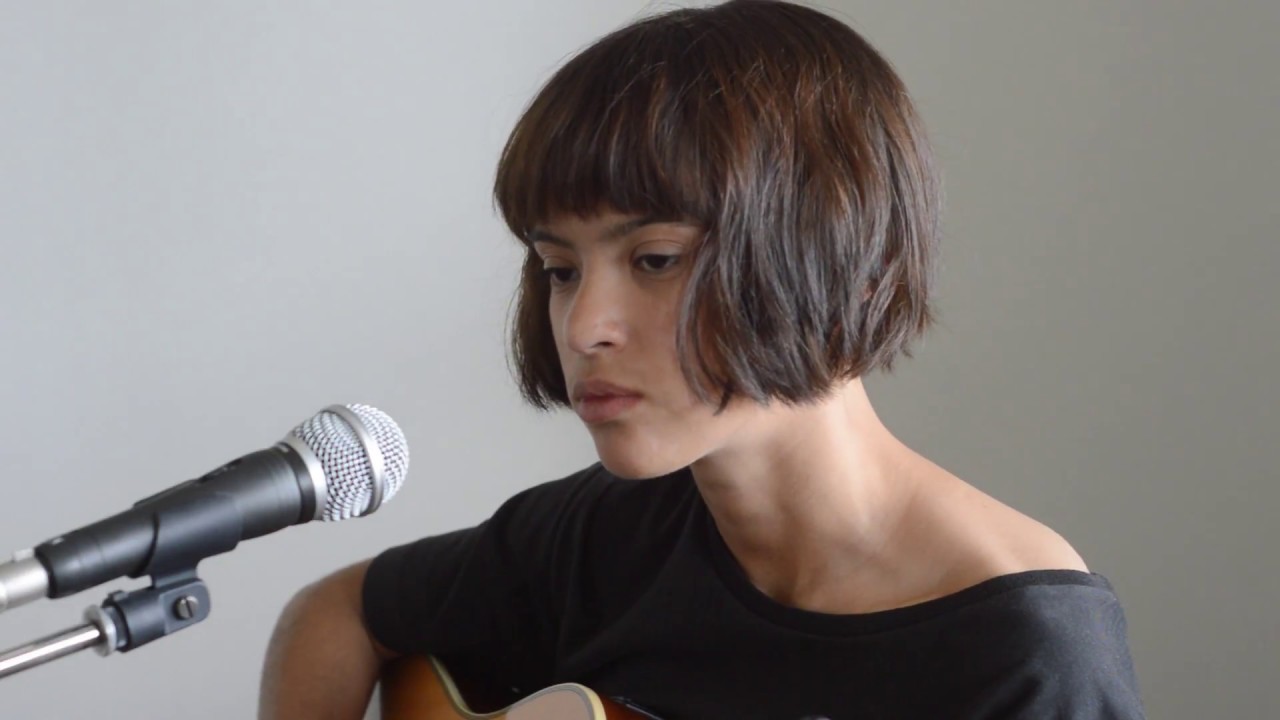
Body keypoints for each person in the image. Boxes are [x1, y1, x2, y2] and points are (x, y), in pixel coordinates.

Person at [259, 1, 1145, 718]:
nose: (583, 327)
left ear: (835, 255)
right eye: (561, 270)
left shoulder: (1022, 652)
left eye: (654, 259)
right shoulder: (606, 537)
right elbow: (336, 613)